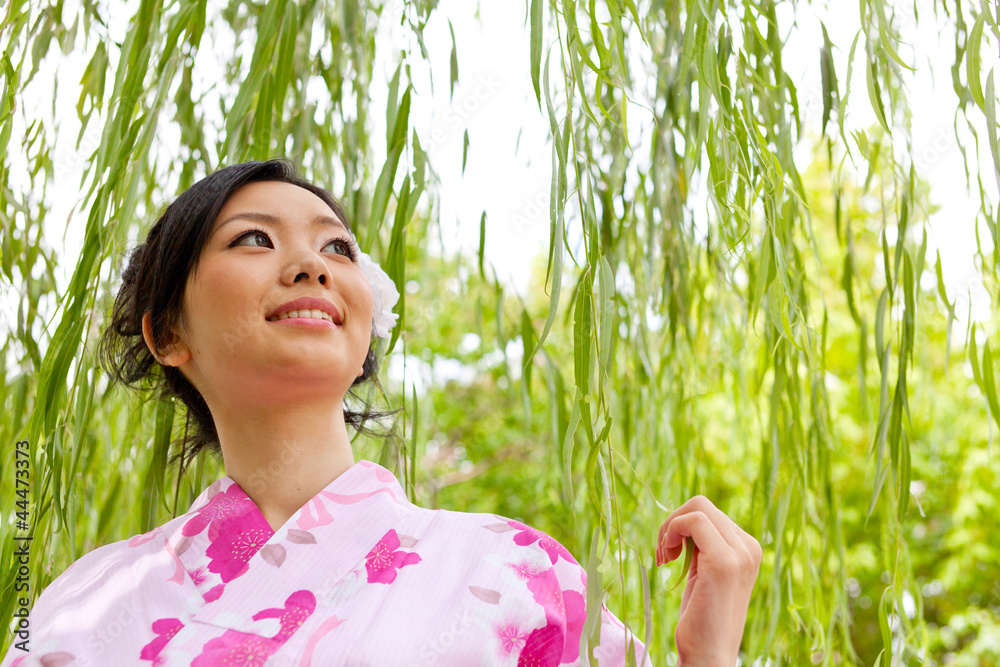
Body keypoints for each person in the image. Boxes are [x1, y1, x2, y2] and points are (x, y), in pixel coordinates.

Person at [1, 160, 762, 666]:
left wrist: (709, 660)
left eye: (338, 247)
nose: (313, 265)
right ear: (168, 333)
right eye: (255, 239)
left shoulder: (519, 575)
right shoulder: (78, 606)